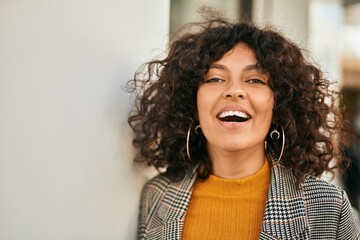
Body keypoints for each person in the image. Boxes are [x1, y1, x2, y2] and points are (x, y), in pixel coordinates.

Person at [127, 12, 360, 240]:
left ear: (279, 107)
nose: (234, 90)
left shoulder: (328, 207)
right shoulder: (155, 197)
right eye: (215, 79)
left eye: (255, 80)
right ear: (192, 104)